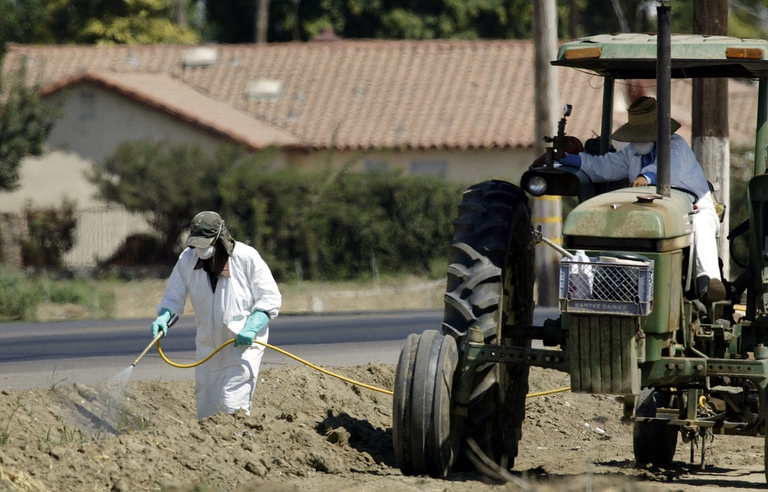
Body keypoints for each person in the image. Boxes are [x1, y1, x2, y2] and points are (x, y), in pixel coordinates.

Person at [532, 96, 725, 304]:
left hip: (691, 205)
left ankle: (707, 282)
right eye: (637, 136)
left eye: (644, 135)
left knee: (701, 223)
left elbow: (668, 167)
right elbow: (604, 166)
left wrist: (646, 177)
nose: (639, 140)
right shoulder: (633, 152)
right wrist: (569, 159)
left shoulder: (676, 146)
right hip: (646, 209)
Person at [151, 211, 282, 419]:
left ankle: (236, 446)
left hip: (241, 346)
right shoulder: (187, 258)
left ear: (220, 235)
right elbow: (173, 296)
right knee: (206, 410)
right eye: (197, 243)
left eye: (206, 242)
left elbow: (269, 298)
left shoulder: (246, 257)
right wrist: (164, 317)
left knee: (232, 406)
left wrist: (251, 327)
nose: (200, 250)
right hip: (208, 348)